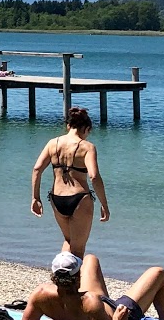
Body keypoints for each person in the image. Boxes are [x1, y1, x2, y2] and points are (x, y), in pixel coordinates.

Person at [21, 252, 164, 320]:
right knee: (159, 273)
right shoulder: (90, 302)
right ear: (78, 277)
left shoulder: (40, 295)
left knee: (91, 259)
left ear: (53, 277)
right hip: (119, 317)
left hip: (91, 307)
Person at [29, 106, 108, 256]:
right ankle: (74, 279)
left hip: (56, 198)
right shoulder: (87, 147)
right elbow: (94, 176)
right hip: (79, 199)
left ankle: (61, 276)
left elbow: (37, 169)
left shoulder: (53, 143)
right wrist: (104, 204)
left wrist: (35, 198)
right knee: (78, 248)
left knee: (68, 241)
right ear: (87, 128)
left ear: (68, 126)